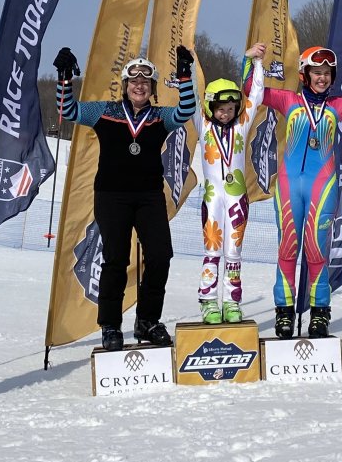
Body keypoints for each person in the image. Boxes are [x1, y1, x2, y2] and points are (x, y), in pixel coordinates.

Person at [55, 45, 196, 351]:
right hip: (111, 196)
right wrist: (64, 78)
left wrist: (185, 76)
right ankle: (110, 325)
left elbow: (186, 111)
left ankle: (147, 321)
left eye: (146, 83)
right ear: (126, 85)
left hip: (149, 196)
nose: (139, 86)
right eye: (134, 82)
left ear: (153, 88)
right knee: (116, 260)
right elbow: (68, 111)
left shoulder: (160, 117)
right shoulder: (105, 111)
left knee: (160, 256)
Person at [244, 46, 342, 339]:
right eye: (316, 72)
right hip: (288, 185)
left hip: (322, 186)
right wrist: (250, 61)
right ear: (304, 75)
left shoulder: (339, 105)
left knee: (316, 250)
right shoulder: (288, 100)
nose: (322, 78)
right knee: (287, 249)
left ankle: (320, 313)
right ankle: (283, 312)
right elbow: (251, 90)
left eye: (326, 73)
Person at [193, 43, 266, 323]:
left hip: (237, 198)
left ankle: (232, 302)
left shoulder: (241, 125)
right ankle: (208, 301)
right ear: (210, 107)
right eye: (220, 108)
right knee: (212, 250)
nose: (225, 113)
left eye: (231, 108)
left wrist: (255, 63)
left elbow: (256, 95)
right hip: (212, 197)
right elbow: (189, 98)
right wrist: (187, 69)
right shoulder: (204, 125)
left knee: (234, 252)